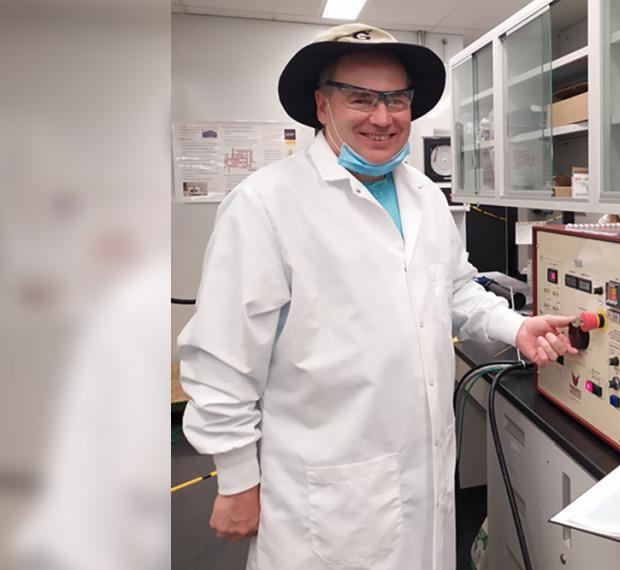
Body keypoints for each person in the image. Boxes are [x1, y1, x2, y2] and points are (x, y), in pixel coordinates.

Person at [179, 23, 577, 570]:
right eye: (360, 98)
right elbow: (223, 356)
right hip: (328, 489)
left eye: (396, 99)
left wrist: (514, 327)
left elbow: (455, 289)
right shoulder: (267, 205)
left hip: (425, 472)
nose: (382, 117)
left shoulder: (425, 198)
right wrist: (236, 477)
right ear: (323, 105)